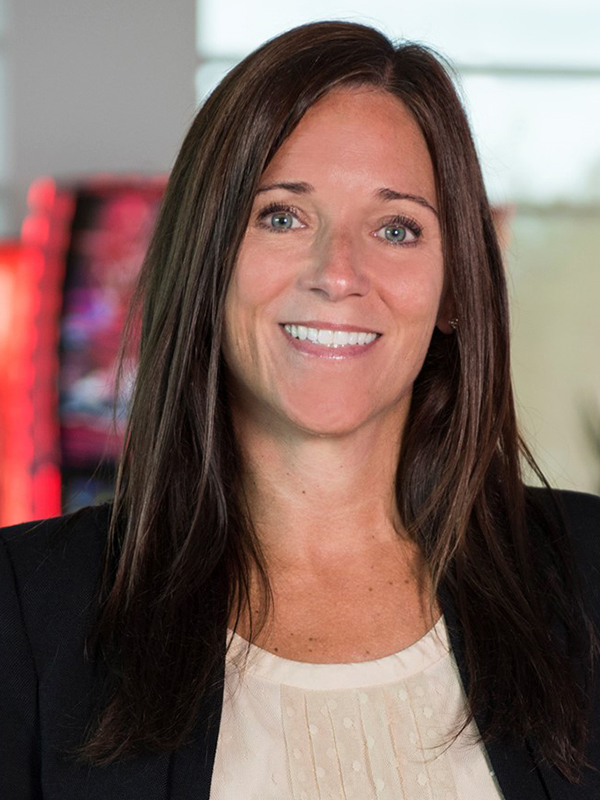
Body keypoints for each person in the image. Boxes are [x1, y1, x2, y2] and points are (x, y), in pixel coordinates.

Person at [1, 20, 599, 800]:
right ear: (209, 256)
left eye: (396, 228)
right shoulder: (24, 610)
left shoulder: (588, 575)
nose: (338, 273)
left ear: (455, 287)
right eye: (283, 216)